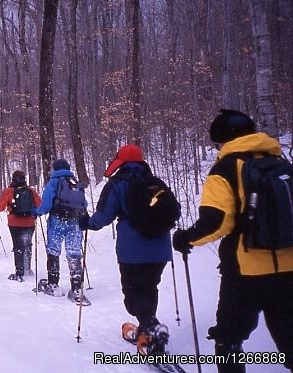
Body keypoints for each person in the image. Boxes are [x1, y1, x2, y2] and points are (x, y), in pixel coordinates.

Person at [172, 109, 293, 373]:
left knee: (228, 338)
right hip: (289, 268)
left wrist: (185, 238)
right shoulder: (282, 165)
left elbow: (217, 221)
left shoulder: (224, 169)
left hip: (244, 271)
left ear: (223, 139)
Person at [78, 144, 172, 355]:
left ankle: (151, 326)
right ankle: (148, 329)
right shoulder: (156, 183)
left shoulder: (118, 183)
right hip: (160, 247)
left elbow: (103, 217)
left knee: (133, 294)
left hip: (133, 250)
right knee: (149, 288)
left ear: (121, 162)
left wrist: (86, 223)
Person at [32, 159, 87, 302]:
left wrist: (36, 212)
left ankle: (53, 284)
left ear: (54, 169)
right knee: (74, 254)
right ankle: (77, 290)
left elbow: (46, 205)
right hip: (75, 222)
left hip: (57, 221)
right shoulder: (75, 182)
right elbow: (84, 204)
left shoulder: (53, 182)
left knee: (53, 251)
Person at [0, 170, 41, 281]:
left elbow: (0, 207)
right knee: (27, 244)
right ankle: (27, 268)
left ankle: (19, 272)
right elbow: (40, 204)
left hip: (14, 223)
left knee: (18, 246)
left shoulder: (8, 191)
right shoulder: (31, 191)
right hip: (29, 222)